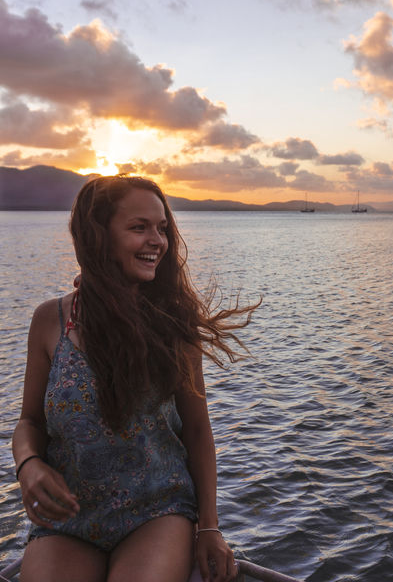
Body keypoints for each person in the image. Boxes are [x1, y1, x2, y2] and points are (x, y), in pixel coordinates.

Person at [12, 175, 258, 582]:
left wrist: (210, 527)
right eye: (139, 227)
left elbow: (197, 430)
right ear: (98, 237)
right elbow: (30, 422)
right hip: (70, 519)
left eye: (162, 228)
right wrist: (29, 465)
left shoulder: (173, 323)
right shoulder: (50, 320)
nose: (157, 241)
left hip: (156, 511)